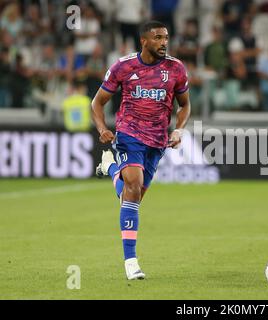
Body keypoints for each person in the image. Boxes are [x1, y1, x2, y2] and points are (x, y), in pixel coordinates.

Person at [91, 21, 191, 280]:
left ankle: (111, 167)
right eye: (158, 38)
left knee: (132, 197)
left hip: (157, 141)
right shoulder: (123, 67)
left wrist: (178, 130)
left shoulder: (176, 68)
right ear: (144, 41)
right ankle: (131, 261)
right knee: (133, 187)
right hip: (128, 134)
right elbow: (98, 102)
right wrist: (102, 128)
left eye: (166, 38)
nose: (163, 42)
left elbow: (185, 105)